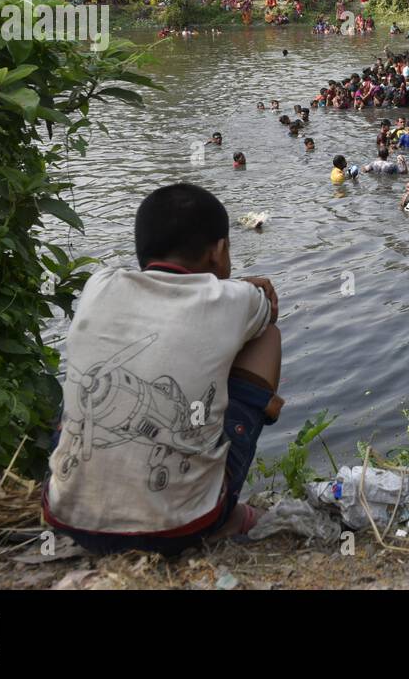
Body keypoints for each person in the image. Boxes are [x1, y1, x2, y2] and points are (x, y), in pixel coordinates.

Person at [43, 183, 283, 555]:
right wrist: (237, 290)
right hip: (183, 528)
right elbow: (267, 311)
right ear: (219, 251)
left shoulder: (98, 285)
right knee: (266, 337)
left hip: (67, 518)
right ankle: (225, 513)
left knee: (90, 369)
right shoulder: (236, 298)